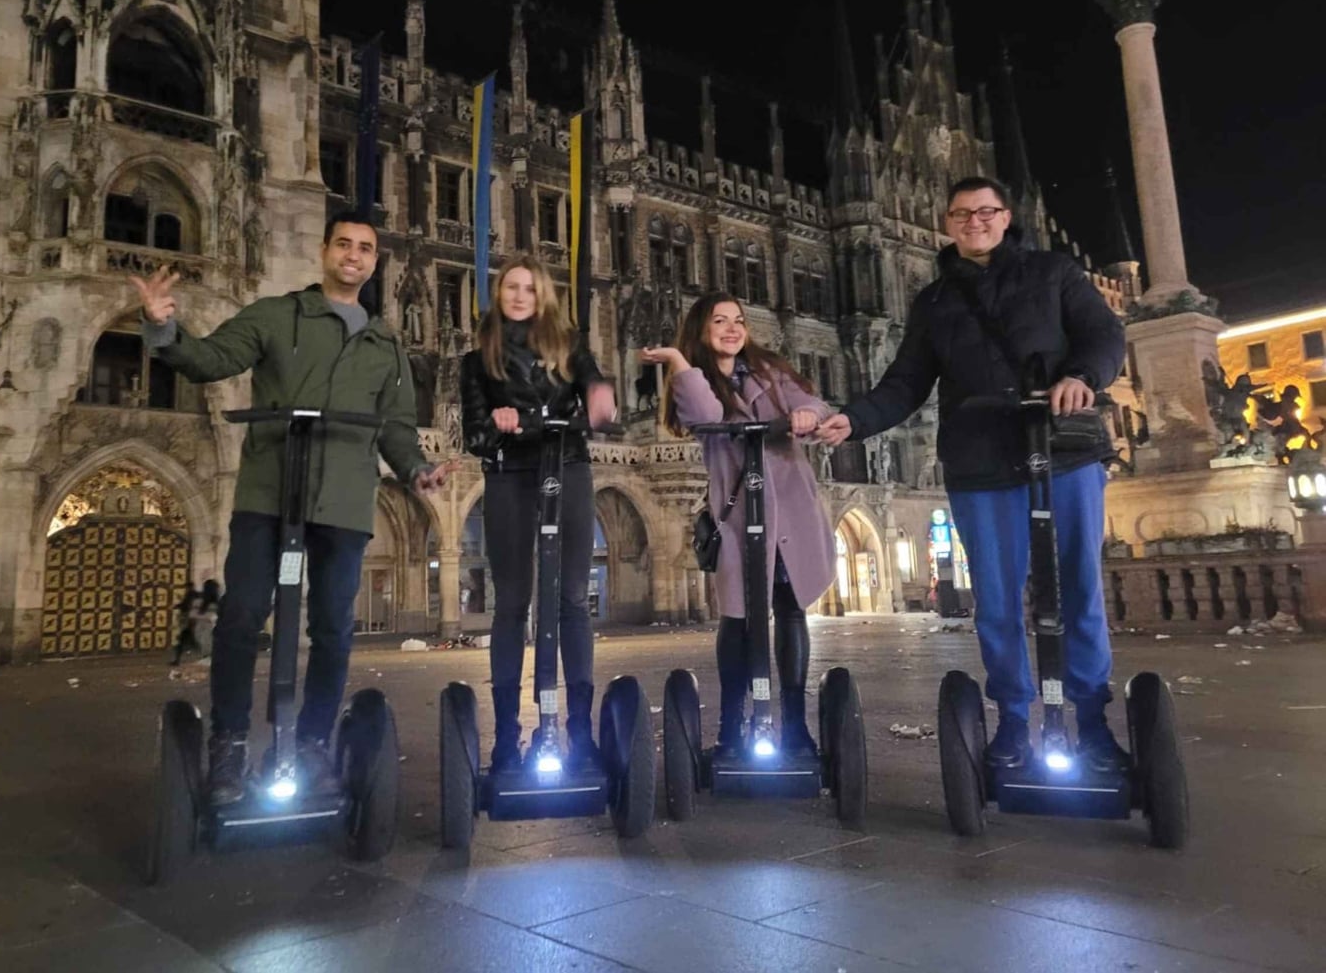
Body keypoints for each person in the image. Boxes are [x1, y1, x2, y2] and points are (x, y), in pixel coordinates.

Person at [133, 209, 454, 806]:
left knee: (333, 627)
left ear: (374, 261)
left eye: (364, 248)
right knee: (240, 615)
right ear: (325, 251)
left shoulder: (386, 344)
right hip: (270, 493)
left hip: (344, 500)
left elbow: (398, 429)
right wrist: (162, 329)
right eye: (343, 245)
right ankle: (228, 744)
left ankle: (310, 743)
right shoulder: (278, 316)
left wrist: (417, 470)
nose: (353, 255)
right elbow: (212, 359)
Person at [816, 176, 1127, 772]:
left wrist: (1082, 376)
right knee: (998, 601)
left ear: (1007, 217)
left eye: (986, 211)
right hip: (979, 461)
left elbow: (1103, 333)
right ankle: (1012, 720)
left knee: (1079, 590)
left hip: (1063, 450)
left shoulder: (1054, 272)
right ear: (948, 222)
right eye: (962, 214)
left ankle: (1091, 721)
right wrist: (851, 422)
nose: (974, 222)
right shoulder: (934, 303)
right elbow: (905, 383)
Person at [642, 293, 836, 757]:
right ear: (701, 330)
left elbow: (811, 403)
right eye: (719, 321)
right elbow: (707, 418)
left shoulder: (770, 373)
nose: (732, 329)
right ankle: (732, 724)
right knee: (738, 616)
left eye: (739, 321)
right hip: (738, 516)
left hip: (790, 507)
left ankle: (793, 723)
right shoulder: (698, 383)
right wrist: (677, 360)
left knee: (790, 609)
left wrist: (810, 414)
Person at [459, 255, 617, 771]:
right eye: (511, 287)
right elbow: (477, 436)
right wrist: (504, 422)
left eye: (530, 287)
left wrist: (598, 396)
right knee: (512, 602)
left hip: (567, 468)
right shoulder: (477, 360)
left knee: (572, 597)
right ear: (499, 294)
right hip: (508, 476)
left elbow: (597, 396)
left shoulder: (569, 349)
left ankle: (580, 732)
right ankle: (507, 737)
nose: (520, 295)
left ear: (543, 294)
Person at [170, 578, 221, 666]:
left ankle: (177, 660)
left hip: (201, 628)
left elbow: (192, 615)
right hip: (210, 630)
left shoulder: (198, 601)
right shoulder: (219, 604)